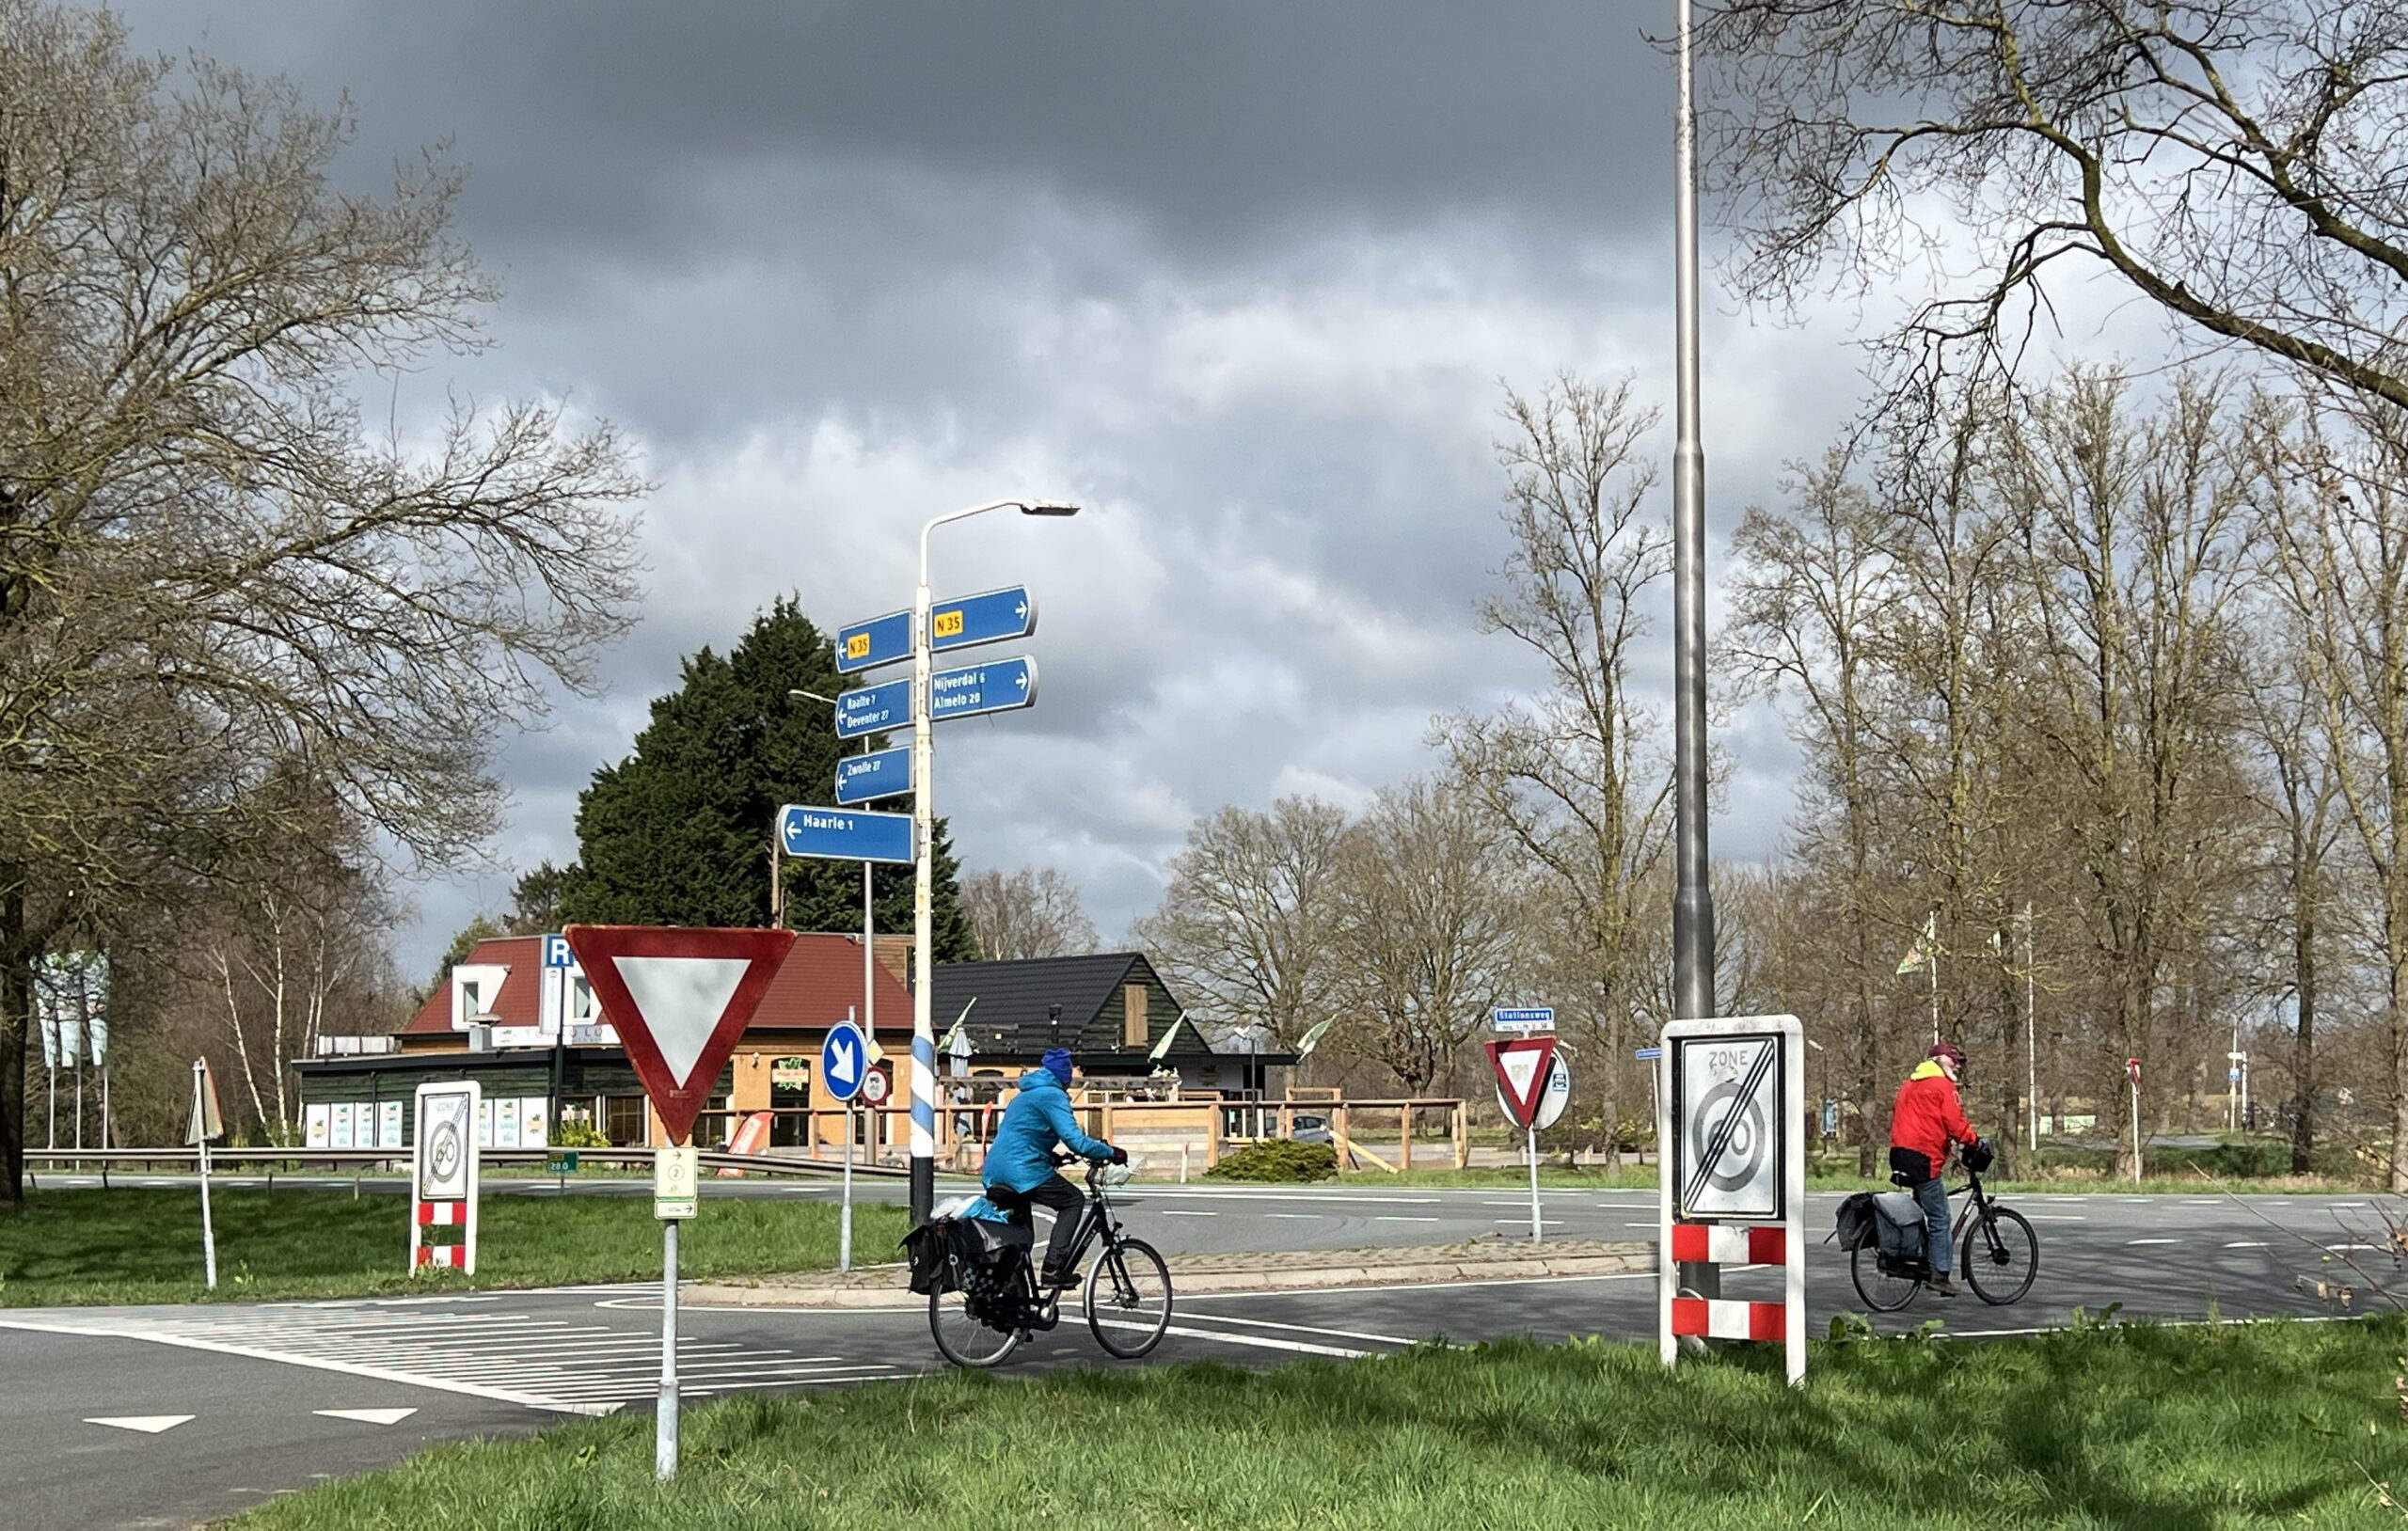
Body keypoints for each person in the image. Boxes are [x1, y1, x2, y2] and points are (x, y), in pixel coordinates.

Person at [982, 1047, 1125, 1287]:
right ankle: (1053, 1268)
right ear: (1064, 1075)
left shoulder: (1024, 1095)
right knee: (1072, 1201)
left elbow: (1025, 1134)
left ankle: (1012, 1297)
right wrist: (1111, 1152)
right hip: (1022, 1169)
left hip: (996, 1169)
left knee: (1022, 1239)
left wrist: (1052, 1158)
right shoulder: (1053, 1095)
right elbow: (1075, 1140)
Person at [1888, 1041, 1985, 1297]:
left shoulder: (1909, 1084)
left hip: (1900, 1155)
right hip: (1923, 1158)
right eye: (1954, 1061)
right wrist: (1974, 1141)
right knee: (1941, 1218)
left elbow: (1922, 1121)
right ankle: (1940, 1275)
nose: (1957, 1066)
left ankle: (1918, 1258)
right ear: (1940, 1060)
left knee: (1922, 1212)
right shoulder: (1942, 1086)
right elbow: (1955, 1122)